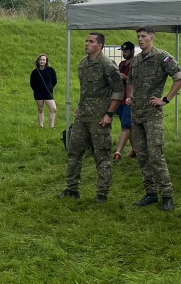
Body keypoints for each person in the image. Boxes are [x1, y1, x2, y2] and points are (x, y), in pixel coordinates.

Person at [126, 26, 181, 211]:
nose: (140, 39)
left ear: (152, 37)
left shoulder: (161, 57)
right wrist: (130, 96)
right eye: (138, 36)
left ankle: (167, 195)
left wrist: (165, 99)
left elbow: (179, 76)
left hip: (152, 115)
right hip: (137, 113)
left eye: (144, 36)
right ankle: (150, 193)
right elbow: (130, 80)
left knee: (155, 155)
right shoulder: (137, 60)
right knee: (142, 155)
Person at [58, 32, 122, 201]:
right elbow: (85, 90)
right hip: (83, 115)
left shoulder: (107, 65)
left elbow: (118, 91)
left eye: (91, 41)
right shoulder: (83, 63)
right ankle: (72, 189)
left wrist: (109, 114)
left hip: (99, 117)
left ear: (99, 45)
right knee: (74, 151)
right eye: (86, 41)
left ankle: (102, 193)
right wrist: (80, 106)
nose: (86, 43)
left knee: (101, 155)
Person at [113, 41, 135, 160]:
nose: (124, 53)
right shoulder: (121, 64)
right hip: (120, 98)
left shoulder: (136, 63)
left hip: (130, 98)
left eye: (126, 51)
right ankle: (135, 149)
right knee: (127, 125)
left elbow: (138, 81)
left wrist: (125, 77)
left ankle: (118, 152)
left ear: (132, 51)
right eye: (123, 51)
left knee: (126, 125)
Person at [30, 53, 57, 128]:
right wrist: (36, 89)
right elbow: (32, 83)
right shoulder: (34, 72)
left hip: (48, 93)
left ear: (46, 61)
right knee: (40, 109)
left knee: (53, 109)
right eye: (40, 60)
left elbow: (54, 81)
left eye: (43, 60)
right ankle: (40, 126)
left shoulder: (51, 70)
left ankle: (51, 126)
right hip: (38, 93)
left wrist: (50, 87)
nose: (42, 61)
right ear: (38, 61)